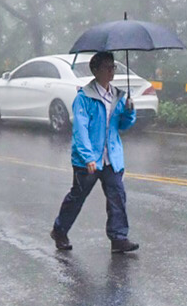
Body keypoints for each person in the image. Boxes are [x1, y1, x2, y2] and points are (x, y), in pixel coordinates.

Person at [53, 50, 142, 255]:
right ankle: (59, 230)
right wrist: (88, 157)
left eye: (113, 67)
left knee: (117, 196)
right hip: (89, 160)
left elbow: (122, 125)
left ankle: (119, 238)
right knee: (77, 197)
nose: (111, 71)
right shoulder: (84, 98)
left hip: (111, 158)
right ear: (95, 70)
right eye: (107, 67)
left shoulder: (117, 95)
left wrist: (129, 111)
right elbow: (80, 130)